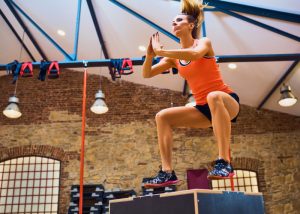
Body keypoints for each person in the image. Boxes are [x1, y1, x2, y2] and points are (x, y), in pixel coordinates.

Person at [142, 0, 240, 188]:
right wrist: (149, 55)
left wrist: (161, 50)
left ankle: (224, 162)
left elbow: (195, 55)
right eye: (172, 22)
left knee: (214, 96)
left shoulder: (204, 42)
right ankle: (167, 172)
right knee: (162, 117)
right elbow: (146, 74)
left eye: (179, 20)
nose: (174, 24)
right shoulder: (173, 58)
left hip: (226, 101)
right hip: (204, 110)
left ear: (191, 25)